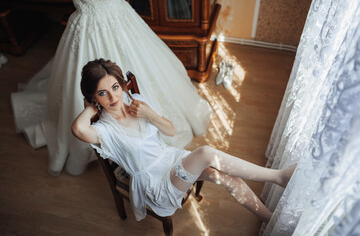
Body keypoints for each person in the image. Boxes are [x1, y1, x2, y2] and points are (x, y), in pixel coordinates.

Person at [72, 59, 296, 222]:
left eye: (115, 87)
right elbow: (78, 128)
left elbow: (169, 132)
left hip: (171, 159)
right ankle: (278, 176)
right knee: (206, 152)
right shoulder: (103, 131)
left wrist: (150, 114)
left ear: (121, 85)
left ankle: (273, 222)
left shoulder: (136, 102)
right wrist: (92, 106)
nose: (113, 97)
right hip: (155, 183)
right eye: (102, 93)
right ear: (93, 98)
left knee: (228, 179)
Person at [10, 0, 212, 176]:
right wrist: (90, 107)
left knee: (135, 78)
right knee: (95, 81)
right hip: (88, 25)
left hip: (119, 16)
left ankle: (137, 132)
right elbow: (78, 128)